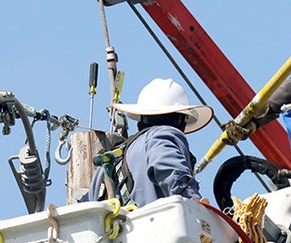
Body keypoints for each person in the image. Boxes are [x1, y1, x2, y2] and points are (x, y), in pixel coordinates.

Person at [85, 77, 213, 207]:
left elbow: (85, 210)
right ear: (183, 126)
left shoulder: (108, 162)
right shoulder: (164, 135)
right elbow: (175, 178)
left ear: (140, 125)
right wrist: (199, 207)